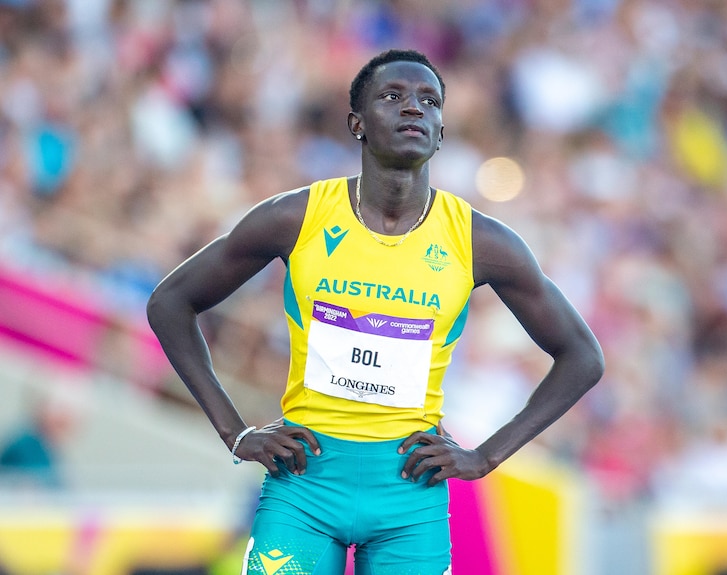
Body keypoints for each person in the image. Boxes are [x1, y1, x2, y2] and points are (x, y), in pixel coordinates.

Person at [147, 48, 604, 575]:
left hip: (409, 497)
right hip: (305, 487)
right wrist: (235, 432)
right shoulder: (297, 218)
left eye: (429, 101)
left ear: (440, 131)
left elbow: (582, 357)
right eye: (394, 96)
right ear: (357, 123)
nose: (414, 108)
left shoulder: (479, 241)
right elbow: (170, 303)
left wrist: (486, 457)